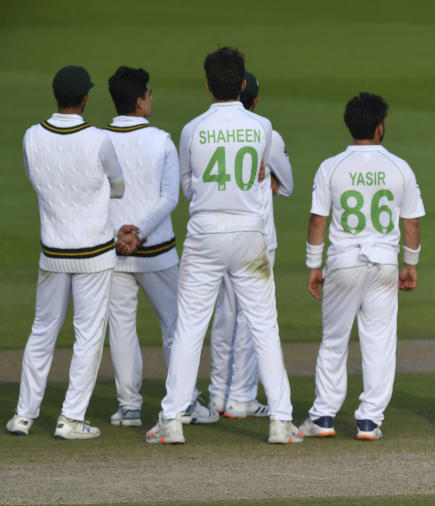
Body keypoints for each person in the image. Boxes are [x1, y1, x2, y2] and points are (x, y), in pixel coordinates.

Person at [147, 47, 301, 445]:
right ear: (243, 83)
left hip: (204, 235)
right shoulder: (263, 127)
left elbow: (186, 185)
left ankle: (172, 419)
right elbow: (267, 175)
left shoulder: (192, 129)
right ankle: (282, 422)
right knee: (265, 326)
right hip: (251, 235)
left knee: (190, 328)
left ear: (207, 84)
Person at [7, 65, 124, 439]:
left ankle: (23, 415)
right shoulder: (99, 139)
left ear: (56, 95)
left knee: (42, 331)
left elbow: (34, 177)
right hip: (94, 251)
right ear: (86, 97)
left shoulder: (31, 136)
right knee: (87, 335)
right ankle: (71, 419)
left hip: (53, 251)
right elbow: (118, 186)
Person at [301, 92, 424, 441]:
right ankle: (369, 420)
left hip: (343, 262)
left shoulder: (332, 166)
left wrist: (314, 265)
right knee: (380, 342)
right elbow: (411, 224)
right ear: (381, 128)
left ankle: (323, 416)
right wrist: (410, 264)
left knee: (334, 339)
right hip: (384, 262)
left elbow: (317, 220)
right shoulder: (400, 167)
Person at [103, 66, 218, 429]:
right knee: (177, 326)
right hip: (159, 252)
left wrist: (122, 236)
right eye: (149, 94)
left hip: (114, 251)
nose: (152, 98)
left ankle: (129, 407)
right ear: (139, 101)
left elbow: (95, 198)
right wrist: (141, 233)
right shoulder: (161, 140)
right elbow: (170, 198)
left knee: (121, 326)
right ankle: (183, 404)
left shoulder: (99, 140)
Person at [207, 71, 294, 419]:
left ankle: (217, 394)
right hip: (255, 237)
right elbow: (285, 184)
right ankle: (241, 396)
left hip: (213, 234)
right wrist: (265, 178)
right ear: (253, 100)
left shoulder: (204, 129)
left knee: (224, 316)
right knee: (252, 318)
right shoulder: (265, 131)